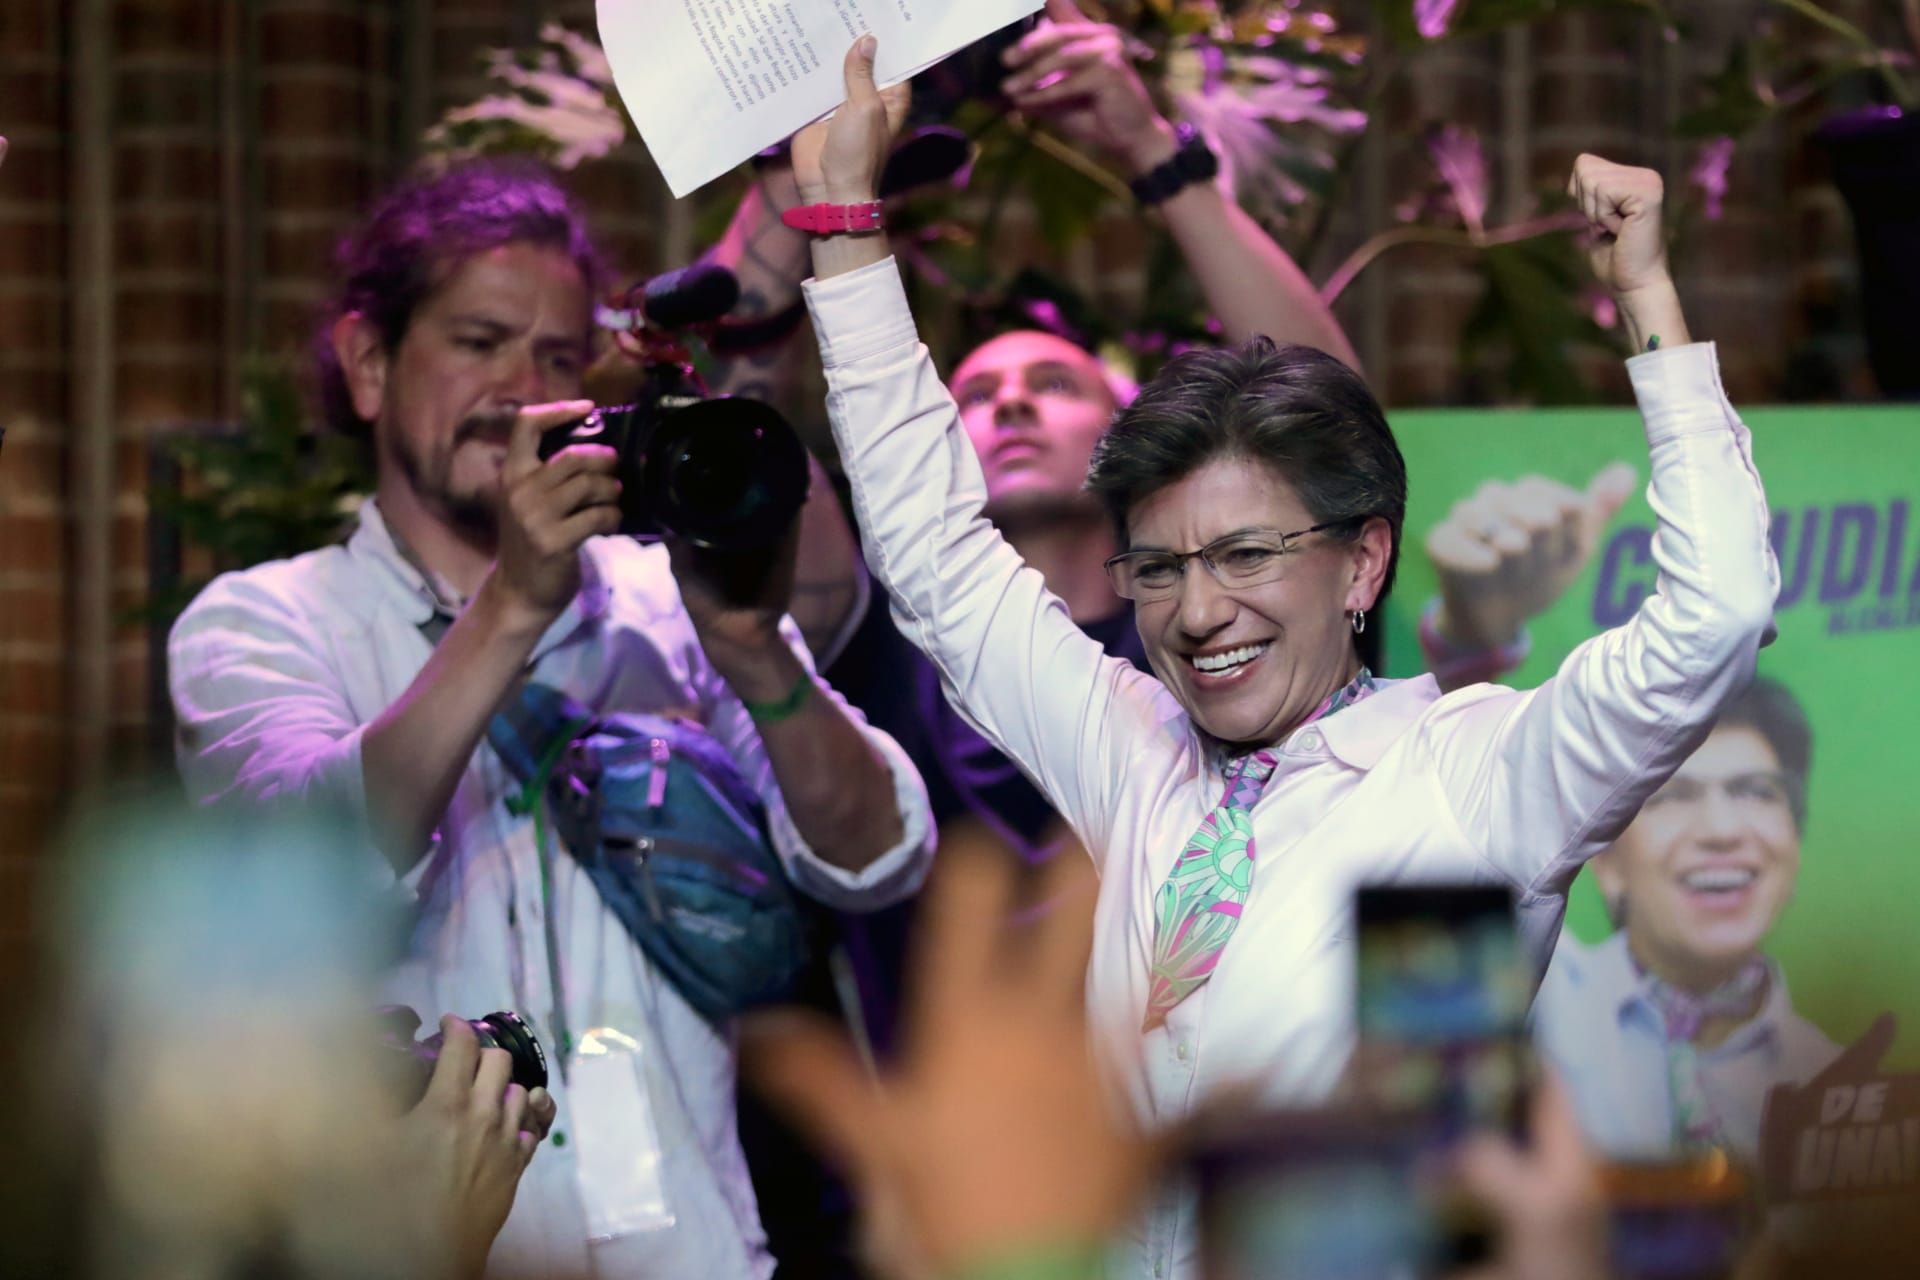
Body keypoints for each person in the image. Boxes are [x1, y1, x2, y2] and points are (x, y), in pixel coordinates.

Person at [784, 35, 1778, 1280]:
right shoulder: (1132, 753)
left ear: (1362, 566)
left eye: (1247, 556)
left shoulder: (1475, 769)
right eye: (1159, 568)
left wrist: (1648, 304)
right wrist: (841, 224)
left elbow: (1718, 612)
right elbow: (933, 552)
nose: (1199, 612)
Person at [167, 159, 935, 1279]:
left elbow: (879, 854)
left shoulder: (667, 601)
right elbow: (309, 870)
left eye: (564, 356)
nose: (527, 389)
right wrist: (516, 604)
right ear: (369, 365)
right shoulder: (261, 621)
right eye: (480, 342)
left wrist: (750, 647)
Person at [1531, 675, 1838, 1165]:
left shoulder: (1837, 1084)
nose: (1721, 831)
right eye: (1672, 796)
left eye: (1756, 792)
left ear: (1795, 847)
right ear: (1605, 860)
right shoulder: (1535, 1004)